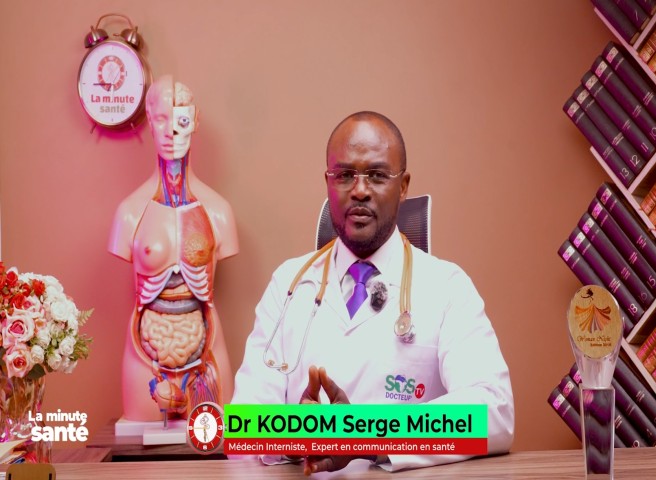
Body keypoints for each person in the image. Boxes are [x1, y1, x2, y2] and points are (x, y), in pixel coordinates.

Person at [232, 111, 513, 473]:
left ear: (404, 186)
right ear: (328, 183)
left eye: (377, 175)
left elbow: (494, 414)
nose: (360, 190)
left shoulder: (447, 287)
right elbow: (243, 428)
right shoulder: (288, 284)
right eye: (345, 175)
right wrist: (298, 434)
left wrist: (364, 435)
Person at [108, 74, 239, 422]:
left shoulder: (218, 211)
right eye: (162, 119)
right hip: (145, 356)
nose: (171, 132)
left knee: (216, 446)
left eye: (180, 120)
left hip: (206, 351)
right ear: (150, 122)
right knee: (141, 452)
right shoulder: (130, 212)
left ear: (195, 121)